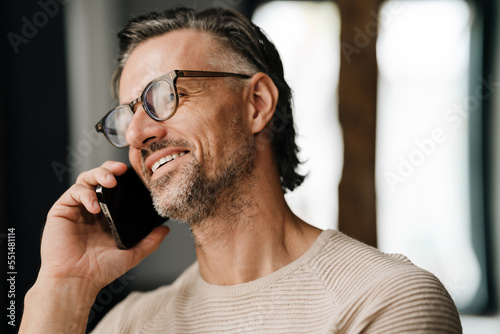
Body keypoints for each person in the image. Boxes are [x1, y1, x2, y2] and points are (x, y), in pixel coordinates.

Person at [20, 7, 462, 334]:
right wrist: (63, 288)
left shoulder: (385, 301)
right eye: (125, 116)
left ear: (257, 104)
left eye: (161, 96)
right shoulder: (128, 324)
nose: (137, 133)